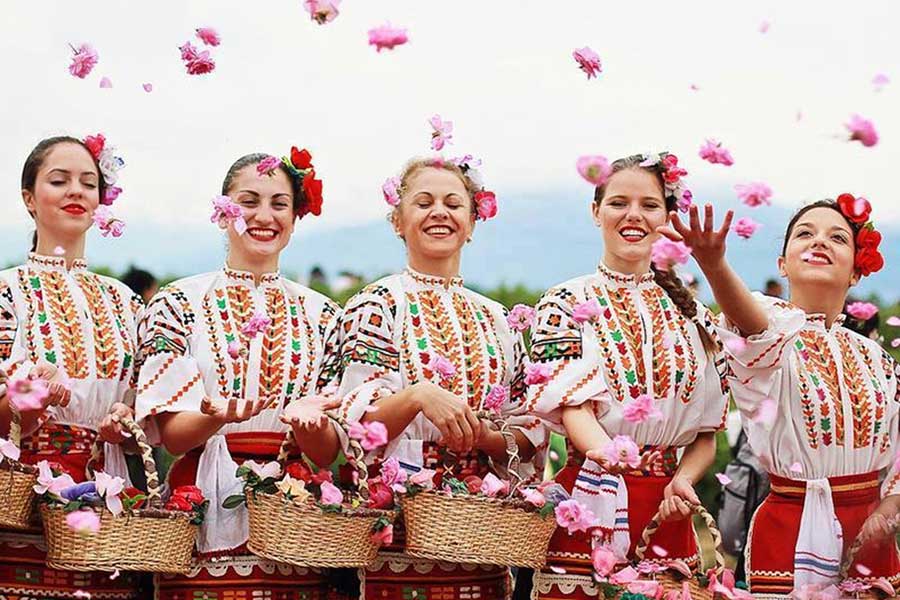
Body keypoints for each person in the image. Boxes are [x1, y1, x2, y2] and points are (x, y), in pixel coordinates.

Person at [135, 148, 346, 599]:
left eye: (278, 203)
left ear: (296, 215)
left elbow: (327, 455)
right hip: (200, 500)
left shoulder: (325, 315)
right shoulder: (178, 303)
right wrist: (216, 416)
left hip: (293, 511)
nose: (263, 216)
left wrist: (308, 424)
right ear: (222, 210)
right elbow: (172, 437)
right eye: (248, 201)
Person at [333, 156, 547, 599]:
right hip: (392, 528)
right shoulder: (375, 306)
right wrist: (416, 396)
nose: (439, 213)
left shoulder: (498, 319)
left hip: (480, 530)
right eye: (423, 202)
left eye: (453, 204)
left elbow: (532, 426)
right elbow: (355, 427)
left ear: (472, 223)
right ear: (398, 220)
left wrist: (484, 438)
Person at [664, 196, 899, 595]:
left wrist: (888, 511)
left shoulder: (874, 356)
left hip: (871, 534)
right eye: (805, 234)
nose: (819, 241)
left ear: (856, 272)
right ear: (782, 264)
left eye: (837, 237)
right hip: (790, 529)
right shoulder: (773, 334)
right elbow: (753, 325)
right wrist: (715, 265)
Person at [526, 153, 730, 598]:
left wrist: (684, 481)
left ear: (668, 216)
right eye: (618, 202)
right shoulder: (565, 301)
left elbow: (707, 433)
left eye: (649, 205)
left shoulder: (693, 312)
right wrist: (607, 454)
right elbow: (572, 403)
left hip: (667, 512)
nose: (633, 215)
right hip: (589, 501)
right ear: (595, 211)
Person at [0, 134, 142, 599]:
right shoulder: (7, 293)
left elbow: (144, 407)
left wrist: (128, 420)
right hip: (16, 497)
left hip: (105, 497)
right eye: (59, 180)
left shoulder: (125, 302)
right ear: (28, 198)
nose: (76, 192)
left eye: (88, 183)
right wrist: (24, 400)